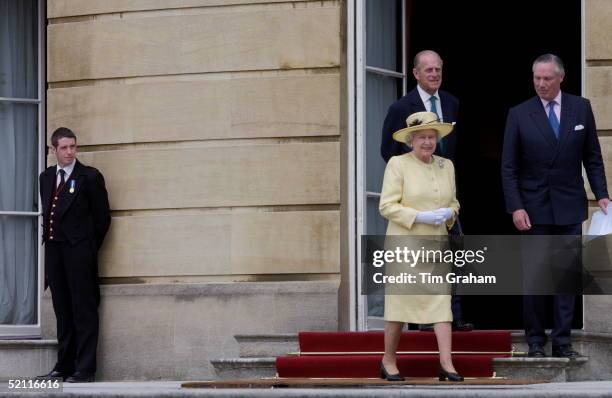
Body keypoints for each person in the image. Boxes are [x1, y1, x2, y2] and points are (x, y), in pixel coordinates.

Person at [501, 54, 609, 358]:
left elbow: (593, 156)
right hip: (533, 208)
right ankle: (535, 341)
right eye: (536, 78)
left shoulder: (580, 107)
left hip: (569, 205)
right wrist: (516, 207)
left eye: (547, 78)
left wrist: (601, 193)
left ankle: (563, 342)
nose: (541, 84)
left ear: (561, 78)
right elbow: (509, 167)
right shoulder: (519, 114)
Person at [380, 49, 473, 332]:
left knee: (453, 256)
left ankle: (451, 316)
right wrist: (415, 175)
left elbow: (452, 149)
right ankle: (421, 323)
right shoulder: (400, 107)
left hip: (444, 189)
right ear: (416, 73)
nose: (434, 74)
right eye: (428, 70)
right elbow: (388, 151)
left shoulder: (451, 102)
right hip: (415, 198)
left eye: (438, 70)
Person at [379, 111, 463, 382]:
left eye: (431, 137)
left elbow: (454, 202)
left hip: (436, 245)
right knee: (400, 305)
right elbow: (386, 206)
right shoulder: (397, 164)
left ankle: (446, 363)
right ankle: (388, 360)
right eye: (422, 137)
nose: (428, 142)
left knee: (442, 302)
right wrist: (419, 216)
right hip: (405, 246)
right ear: (411, 141)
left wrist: (449, 214)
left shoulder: (446, 165)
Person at [37, 127, 111, 382]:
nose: (70, 152)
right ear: (53, 150)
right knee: (63, 309)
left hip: (79, 253)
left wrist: (87, 249)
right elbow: (49, 215)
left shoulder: (89, 177)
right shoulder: (46, 177)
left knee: (84, 309)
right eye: (65, 148)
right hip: (55, 253)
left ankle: (85, 368)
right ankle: (64, 365)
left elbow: (102, 219)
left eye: (73, 147)